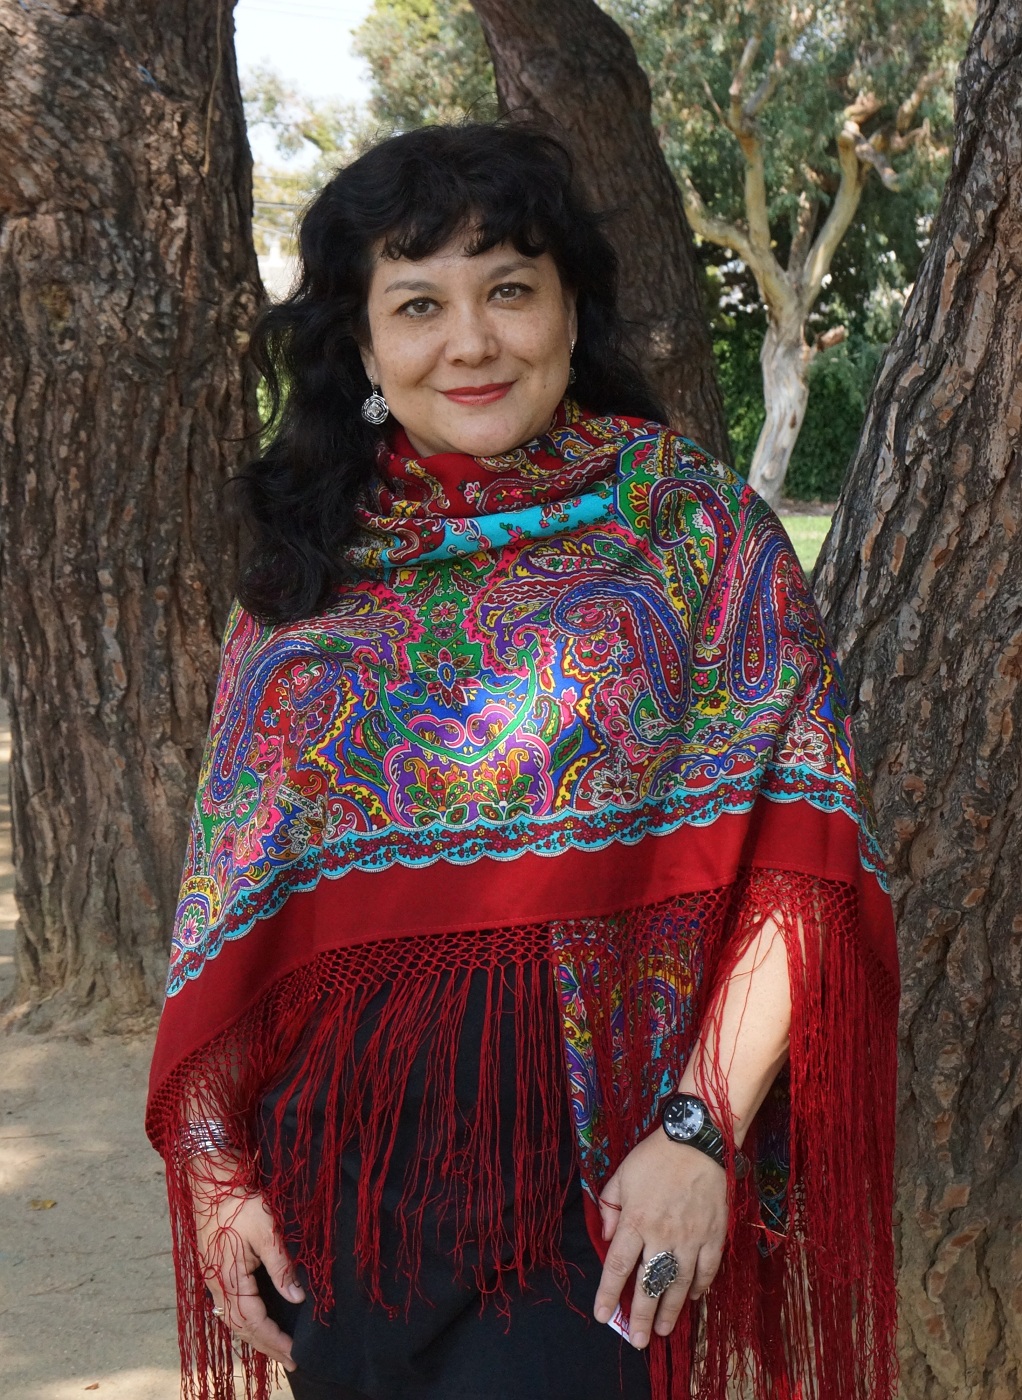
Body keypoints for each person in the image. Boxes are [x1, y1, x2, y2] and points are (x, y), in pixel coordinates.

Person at [146, 122, 899, 1400]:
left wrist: (698, 1127)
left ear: (568, 309)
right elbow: (234, 888)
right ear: (364, 347)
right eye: (417, 304)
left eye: (507, 288)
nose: (471, 341)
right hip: (343, 1189)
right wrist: (218, 1171)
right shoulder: (305, 577)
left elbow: (801, 854)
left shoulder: (695, 533)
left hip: (592, 1173)